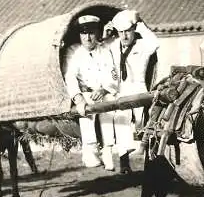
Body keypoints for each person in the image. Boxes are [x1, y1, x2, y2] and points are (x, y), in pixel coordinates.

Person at [104, 10, 159, 174]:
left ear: (133, 29)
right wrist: (106, 34)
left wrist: (140, 24)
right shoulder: (114, 47)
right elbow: (102, 49)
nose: (124, 36)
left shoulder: (143, 46)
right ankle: (124, 161)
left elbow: (155, 42)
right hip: (122, 89)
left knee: (143, 122)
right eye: (120, 32)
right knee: (120, 119)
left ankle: (149, 158)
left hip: (140, 88)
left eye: (127, 31)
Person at [63, 15, 119, 171]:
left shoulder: (105, 51)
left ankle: (108, 150)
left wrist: (104, 89)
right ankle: (91, 151)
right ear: (80, 35)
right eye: (84, 33)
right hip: (84, 93)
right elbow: (70, 76)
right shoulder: (73, 51)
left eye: (91, 33)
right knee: (85, 110)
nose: (87, 37)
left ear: (97, 34)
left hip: (103, 92)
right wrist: (78, 97)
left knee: (109, 107)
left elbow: (112, 74)